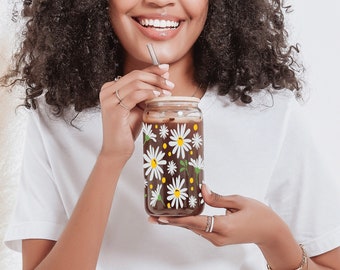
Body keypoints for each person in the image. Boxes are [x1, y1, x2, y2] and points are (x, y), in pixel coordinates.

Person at [1, 0, 339, 269]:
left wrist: (274, 237)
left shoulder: (270, 111)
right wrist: (111, 158)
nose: (160, 1)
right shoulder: (57, 114)